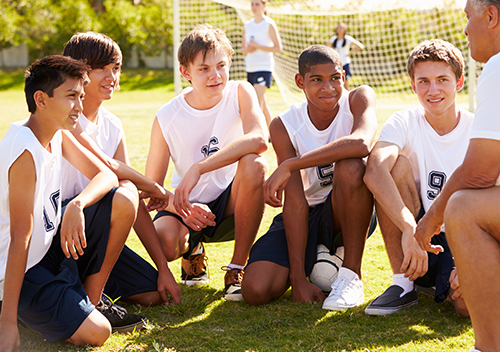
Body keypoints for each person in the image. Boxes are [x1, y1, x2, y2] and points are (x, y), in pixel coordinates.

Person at [0, 55, 141, 350]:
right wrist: (7, 322)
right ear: (41, 99)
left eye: (80, 96)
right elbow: (19, 239)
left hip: (46, 251)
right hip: (17, 271)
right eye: (71, 97)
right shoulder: (24, 149)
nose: (79, 106)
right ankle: (18, 314)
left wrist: (77, 205)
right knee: (98, 333)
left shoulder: (58, 134)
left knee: (119, 200)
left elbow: (106, 176)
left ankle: (84, 301)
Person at [241, 44, 377, 310]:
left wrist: (292, 164)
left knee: (350, 166)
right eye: (317, 80)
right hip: (306, 212)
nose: (328, 88)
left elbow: (361, 143)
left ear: (343, 78)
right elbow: (294, 202)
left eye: (335, 78)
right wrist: (298, 279)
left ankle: (351, 275)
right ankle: (318, 257)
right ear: (300, 82)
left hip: (347, 210)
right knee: (255, 289)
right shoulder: (284, 124)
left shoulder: (359, 98)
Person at [145, 24, 268, 302]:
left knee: (255, 164)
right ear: (185, 72)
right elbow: (151, 189)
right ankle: (192, 251)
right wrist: (181, 206)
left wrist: (200, 166)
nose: (215, 76)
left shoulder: (240, 92)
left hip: (232, 202)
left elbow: (260, 138)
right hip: (185, 207)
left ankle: (236, 268)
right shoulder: (167, 116)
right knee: (163, 242)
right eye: (204, 69)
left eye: (221, 65)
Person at [62, 32, 181, 309]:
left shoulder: (112, 124)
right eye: (101, 68)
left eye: (115, 68)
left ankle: (86, 284)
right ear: (77, 70)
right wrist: (156, 189)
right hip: (63, 226)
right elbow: (108, 167)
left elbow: (132, 200)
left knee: (153, 293)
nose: (111, 77)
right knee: (126, 189)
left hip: (94, 233)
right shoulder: (66, 115)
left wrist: (163, 268)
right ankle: (91, 300)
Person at [363, 39, 470, 317]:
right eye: (423, 81)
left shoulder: (477, 128)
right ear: (413, 85)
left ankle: (446, 280)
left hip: (462, 235)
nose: (432, 90)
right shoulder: (405, 121)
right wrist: (411, 228)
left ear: (459, 83)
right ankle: (403, 284)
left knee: (465, 306)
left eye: (442, 80)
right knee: (394, 165)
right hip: (415, 235)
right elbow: (374, 169)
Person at [415, 1, 500, 351]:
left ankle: (490, 346)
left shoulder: (498, 66)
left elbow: (480, 172)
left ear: (491, 16)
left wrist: (431, 218)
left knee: (463, 208)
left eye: (469, 16)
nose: (465, 29)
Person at [242, 0, 283, 130]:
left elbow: (278, 48)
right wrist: (249, 48)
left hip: (264, 67)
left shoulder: (269, 24)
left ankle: (257, 134)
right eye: (252, 4)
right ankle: (272, 133)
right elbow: (243, 51)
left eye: (257, 4)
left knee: (255, 103)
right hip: (250, 68)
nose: (254, 7)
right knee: (263, 104)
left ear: (264, 5)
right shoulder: (247, 25)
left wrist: (258, 46)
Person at [327, 22, 364, 90]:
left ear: (345, 29)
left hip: (345, 63)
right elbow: (325, 47)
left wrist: (350, 53)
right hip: (336, 64)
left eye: (342, 28)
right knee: (336, 82)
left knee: (345, 83)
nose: (340, 29)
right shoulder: (334, 39)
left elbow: (360, 46)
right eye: (339, 27)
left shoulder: (347, 39)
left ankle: (348, 98)